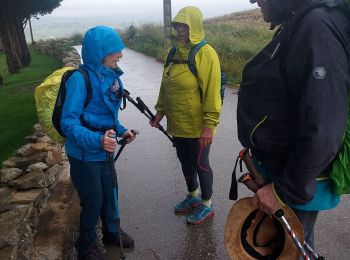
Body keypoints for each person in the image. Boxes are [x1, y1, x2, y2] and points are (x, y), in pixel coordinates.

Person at [237, 0, 350, 249]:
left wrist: (282, 192)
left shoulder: (316, 27)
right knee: (292, 246)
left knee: (289, 249)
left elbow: (323, 128)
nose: (252, 1)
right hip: (284, 172)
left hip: (295, 180)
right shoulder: (299, 21)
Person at [61, 26, 136, 259]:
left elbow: (107, 116)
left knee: (110, 192)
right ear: (100, 52)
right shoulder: (79, 80)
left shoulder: (109, 75)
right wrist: (98, 140)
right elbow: (68, 123)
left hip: (105, 149)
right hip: (84, 155)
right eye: (115, 51)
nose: (120, 55)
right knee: (93, 199)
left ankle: (111, 232)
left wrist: (122, 132)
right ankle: (86, 245)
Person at [150, 6, 222, 224]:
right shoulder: (172, 52)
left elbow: (212, 91)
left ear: (195, 26)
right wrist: (160, 112)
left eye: (185, 25)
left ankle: (207, 204)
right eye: (178, 25)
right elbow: (166, 85)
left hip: (198, 125)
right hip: (178, 122)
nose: (181, 30)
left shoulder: (205, 53)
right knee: (184, 161)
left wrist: (209, 125)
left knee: (200, 163)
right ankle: (192, 196)